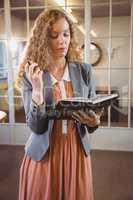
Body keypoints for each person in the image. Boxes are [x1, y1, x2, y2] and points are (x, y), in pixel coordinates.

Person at [16, 8, 101, 200]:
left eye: (66, 34)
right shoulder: (31, 76)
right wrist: (38, 90)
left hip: (76, 152)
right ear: (43, 39)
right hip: (45, 154)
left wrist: (93, 121)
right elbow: (36, 127)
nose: (62, 41)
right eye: (54, 36)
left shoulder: (84, 71)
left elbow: (93, 116)